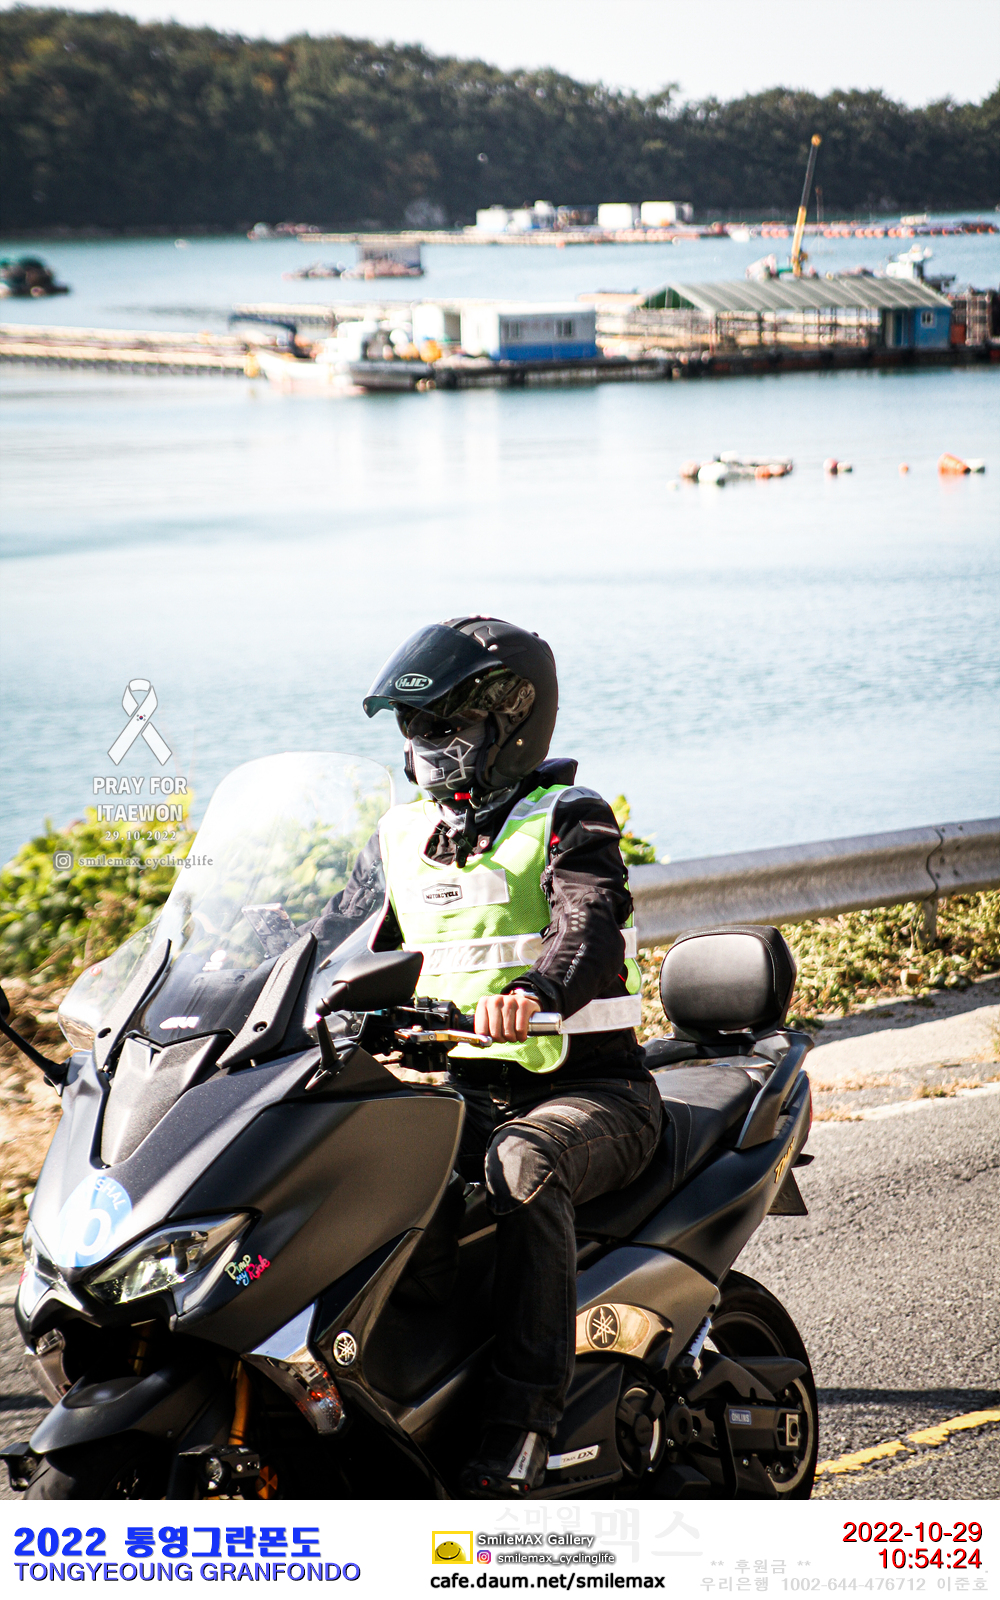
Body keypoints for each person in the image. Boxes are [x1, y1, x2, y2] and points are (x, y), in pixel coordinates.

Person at [324, 616, 663, 1496]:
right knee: (353, 1171)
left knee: (522, 1165)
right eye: (415, 725)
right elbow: (335, 944)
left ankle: (523, 1425)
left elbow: (587, 926)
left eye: (448, 723)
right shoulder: (400, 837)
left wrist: (536, 993)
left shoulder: (566, 818)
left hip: (591, 1092)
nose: (427, 743)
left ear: (512, 722)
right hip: (461, 1092)